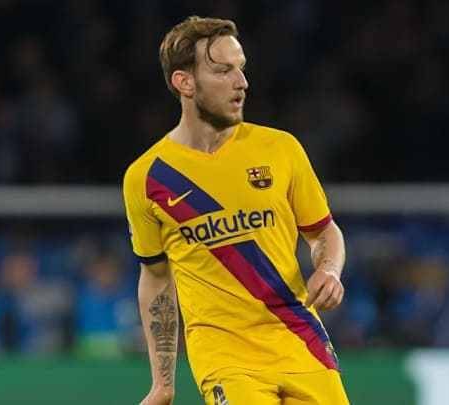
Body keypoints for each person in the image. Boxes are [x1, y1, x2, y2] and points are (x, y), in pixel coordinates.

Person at [122, 16, 350, 405]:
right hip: (224, 356)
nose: (241, 82)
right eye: (223, 71)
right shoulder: (148, 177)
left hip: (301, 341)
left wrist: (328, 269)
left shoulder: (280, 149)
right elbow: (156, 278)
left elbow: (322, 230)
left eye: (241, 68)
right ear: (185, 82)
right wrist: (162, 384)